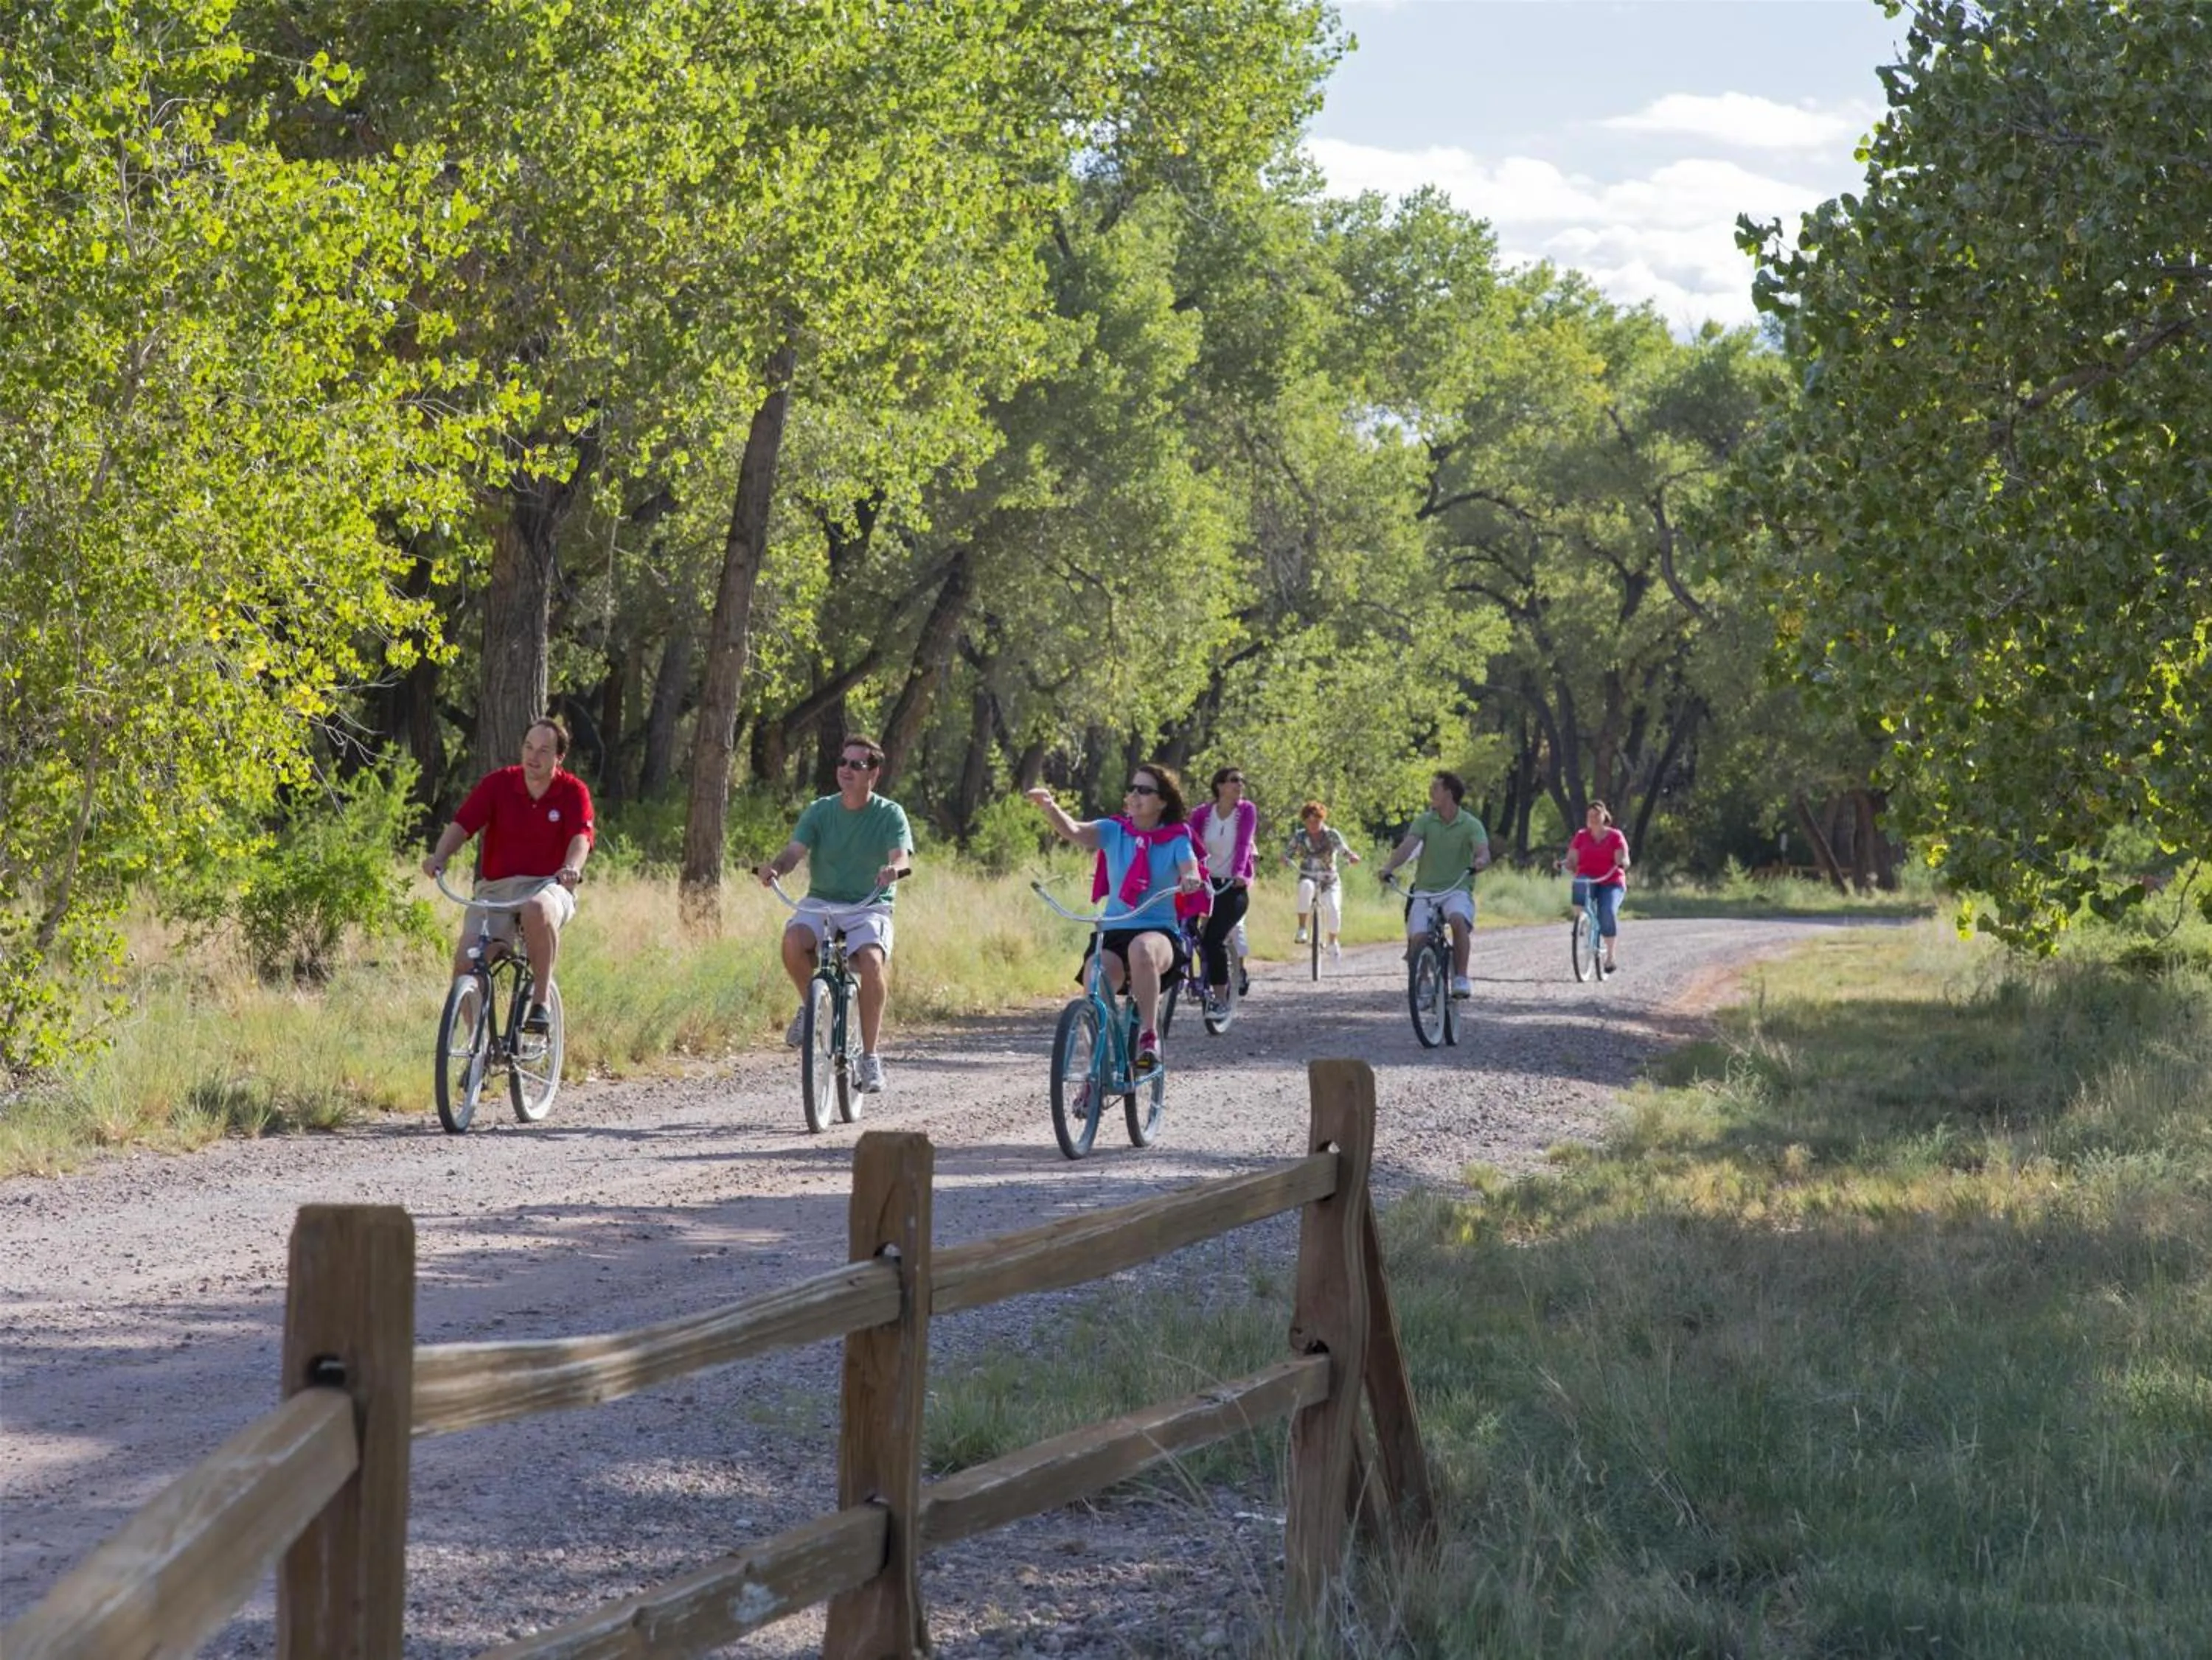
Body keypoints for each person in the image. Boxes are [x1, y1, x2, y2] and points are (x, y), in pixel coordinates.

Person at [754, 734, 914, 1094]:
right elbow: (794, 852)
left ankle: (870, 1058)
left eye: (856, 765)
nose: (846, 770)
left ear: (874, 773)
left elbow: (902, 857)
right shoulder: (820, 810)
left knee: (872, 962)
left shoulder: (890, 814)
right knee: (793, 940)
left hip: (869, 904)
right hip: (822, 902)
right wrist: (776, 868)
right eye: (842, 762)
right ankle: (811, 1007)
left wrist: (894, 871)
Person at [1026, 763, 1202, 1073]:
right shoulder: (1114, 830)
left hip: (1158, 932)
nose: (1135, 795)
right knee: (1096, 975)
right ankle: (1093, 1074)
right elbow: (1075, 831)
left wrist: (1191, 878)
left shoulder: (1177, 837)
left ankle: (1149, 1037)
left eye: (1145, 790)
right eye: (1132, 788)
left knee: (1142, 950)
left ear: (1162, 802)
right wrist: (1050, 807)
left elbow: (1191, 868)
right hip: (1113, 931)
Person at [423, 715, 594, 1035]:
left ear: (559, 757)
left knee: (537, 909)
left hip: (550, 885)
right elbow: (463, 824)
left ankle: (540, 1002)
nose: (534, 756)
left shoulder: (573, 792)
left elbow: (581, 838)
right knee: (465, 963)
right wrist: (439, 856)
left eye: (544, 751)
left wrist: (572, 869)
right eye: (529, 747)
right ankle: (479, 1049)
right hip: (497, 890)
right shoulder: (498, 784)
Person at [1376, 770, 1490, 1000]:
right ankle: (1424, 979)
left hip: (1456, 889)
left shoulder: (1470, 824)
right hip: (1425, 890)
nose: (1431, 792)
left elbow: (1483, 851)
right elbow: (1408, 846)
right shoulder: (1425, 821)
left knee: (1457, 919)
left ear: (1448, 793)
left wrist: (1480, 861)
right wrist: (1389, 867)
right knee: (1418, 937)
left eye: (1435, 788)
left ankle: (1461, 977)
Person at [1188, 767, 1256, 1003]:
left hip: (1232, 886)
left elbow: (1244, 845)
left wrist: (1239, 873)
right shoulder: (1201, 814)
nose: (1240, 785)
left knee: (1213, 939)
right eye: (1234, 781)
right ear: (1219, 786)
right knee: (1180, 932)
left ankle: (1220, 999)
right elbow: (1189, 845)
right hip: (1202, 883)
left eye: (1242, 781)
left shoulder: (1247, 811)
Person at [1282, 801, 1360, 959]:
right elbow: (1288, 852)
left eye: (1317, 821)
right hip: (1308, 874)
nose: (1313, 825)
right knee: (1305, 887)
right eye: (1309, 821)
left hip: (1329, 879)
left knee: (1333, 908)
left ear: (1322, 819)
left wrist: (1352, 857)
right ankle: (1302, 928)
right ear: (1304, 821)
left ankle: (1332, 941)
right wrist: (1285, 859)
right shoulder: (1300, 836)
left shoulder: (1331, 834)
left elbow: (1344, 850)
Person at [1565, 801, 1631, 973]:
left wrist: (1622, 862)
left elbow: (1623, 859)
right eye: (1590, 816)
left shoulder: (1616, 836)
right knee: (1579, 883)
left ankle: (1610, 957)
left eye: (1597, 815)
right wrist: (1565, 864)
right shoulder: (1581, 836)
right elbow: (1572, 860)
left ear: (1605, 817)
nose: (1593, 819)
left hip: (1611, 879)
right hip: (1588, 876)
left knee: (1607, 911)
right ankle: (1582, 923)